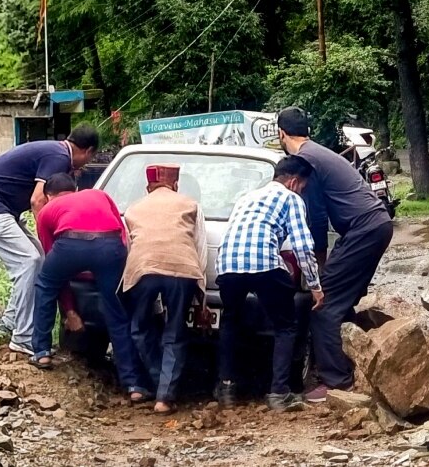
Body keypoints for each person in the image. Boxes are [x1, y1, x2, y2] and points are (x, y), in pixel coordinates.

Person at [275, 107, 394, 402]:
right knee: (343, 300)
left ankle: (336, 381)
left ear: (281, 133)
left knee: (323, 303)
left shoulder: (305, 162)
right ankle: (359, 359)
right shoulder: (319, 152)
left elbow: (315, 217)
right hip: (374, 225)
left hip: (363, 229)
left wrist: (317, 265)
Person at [0, 126, 99, 355]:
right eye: (90, 158)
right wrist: (49, 235)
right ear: (89, 151)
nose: (85, 165)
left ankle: (8, 324)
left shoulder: (56, 152)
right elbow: (38, 201)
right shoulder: (58, 156)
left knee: (40, 258)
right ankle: (23, 337)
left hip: (0, 206)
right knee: (29, 260)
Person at [215, 156, 324, 412]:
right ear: (294, 181)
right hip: (264, 262)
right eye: (303, 187)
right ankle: (279, 394)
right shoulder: (291, 198)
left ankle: (226, 389)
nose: (302, 192)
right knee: (285, 326)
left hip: (227, 264)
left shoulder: (246, 198)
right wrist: (316, 286)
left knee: (230, 321)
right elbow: (302, 245)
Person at [30, 174, 151, 402]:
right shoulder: (100, 195)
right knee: (117, 313)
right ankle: (133, 384)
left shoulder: (47, 211)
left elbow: (52, 260)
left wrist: (69, 310)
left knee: (45, 285)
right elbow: (122, 234)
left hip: (70, 244)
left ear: (48, 196)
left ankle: (42, 352)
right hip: (110, 246)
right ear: (75, 189)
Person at [121, 164, 207, 414]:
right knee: (175, 332)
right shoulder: (190, 205)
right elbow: (199, 246)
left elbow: (129, 246)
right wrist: (200, 292)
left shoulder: (133, 209)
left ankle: (158, 380)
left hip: (143, 268)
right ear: (175, 185)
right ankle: (164, 397)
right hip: (182, 269)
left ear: (148, 188)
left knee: (139, 328)